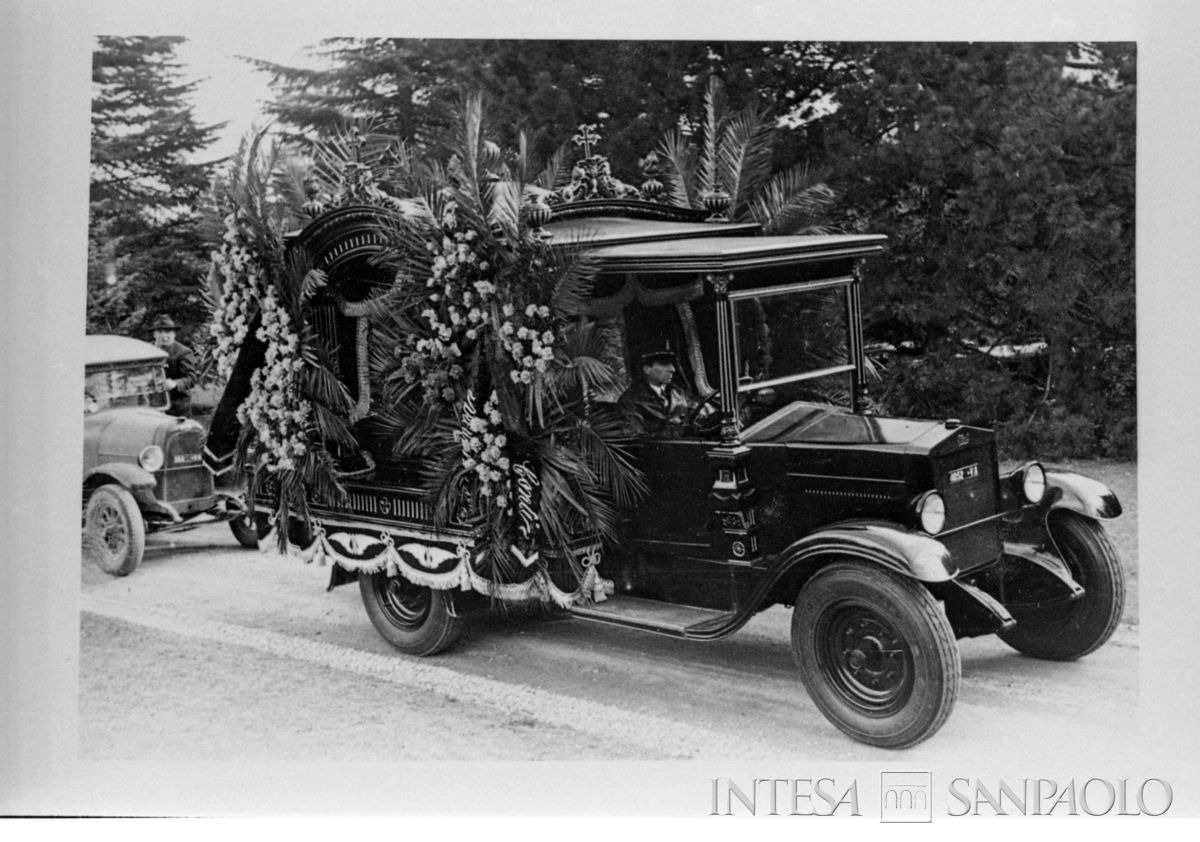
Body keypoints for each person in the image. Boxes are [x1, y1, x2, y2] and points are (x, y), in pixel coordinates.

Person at [618, 347, 697, 438]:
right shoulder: (630, 400)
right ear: (647, 369)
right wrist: (673, 421)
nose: (672, 369)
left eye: (672, 364)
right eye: (664, 364)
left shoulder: (679, 394)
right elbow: (637, 440)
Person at [149, 314, 196, 417]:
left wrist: (174, 383)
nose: (164, 336)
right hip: (152, 406)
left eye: (168, 331)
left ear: (174, 334)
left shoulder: (183, 352)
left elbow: (191, 378)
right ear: (154, 334)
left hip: (177, 408)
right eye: (160, 332)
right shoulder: (147, 350)